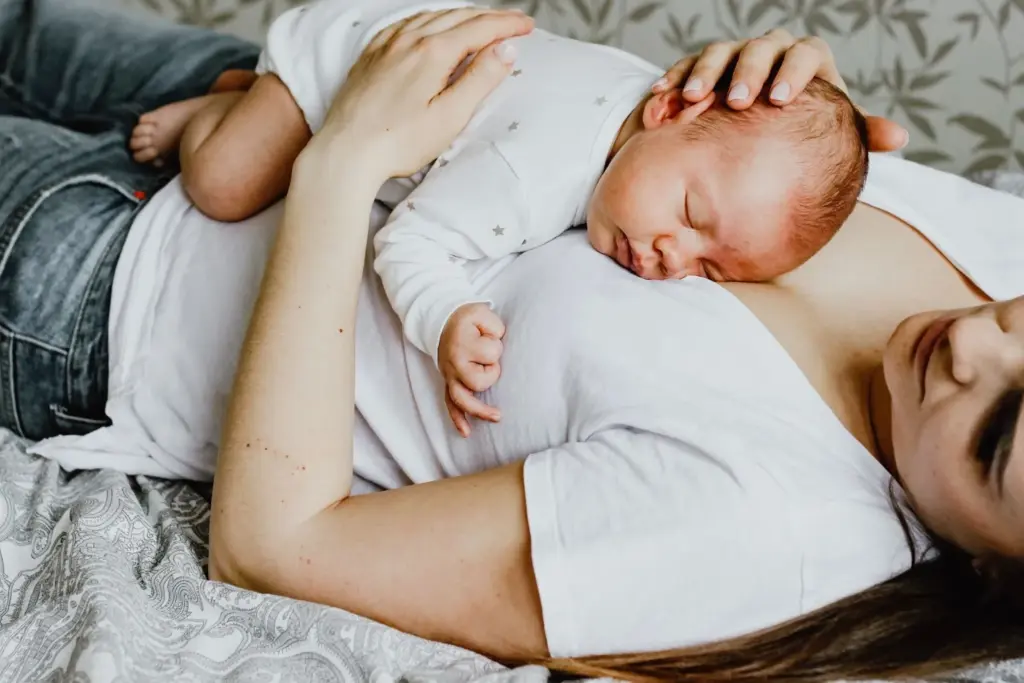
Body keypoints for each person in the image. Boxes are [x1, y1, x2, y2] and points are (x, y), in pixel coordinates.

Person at [9, 1, 1024, 682]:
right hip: (282, 84)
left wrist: (344, 163)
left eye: (994, 437)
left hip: (105, 287)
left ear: (998, 570)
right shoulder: (1006, 242)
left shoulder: (773, 532)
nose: (974, 347)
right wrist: (780, 95)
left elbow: (278, 550)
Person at [129, 0, 869, 435]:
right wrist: (444, 316)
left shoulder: (664, 120)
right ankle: (220, 106)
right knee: (221, 184)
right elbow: (409, 238)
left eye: (710, 267)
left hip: (424, 39)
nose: (673, 256)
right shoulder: (531, 176)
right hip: (346, 56)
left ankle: (248, 101)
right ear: (668, 107)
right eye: (688, 214)